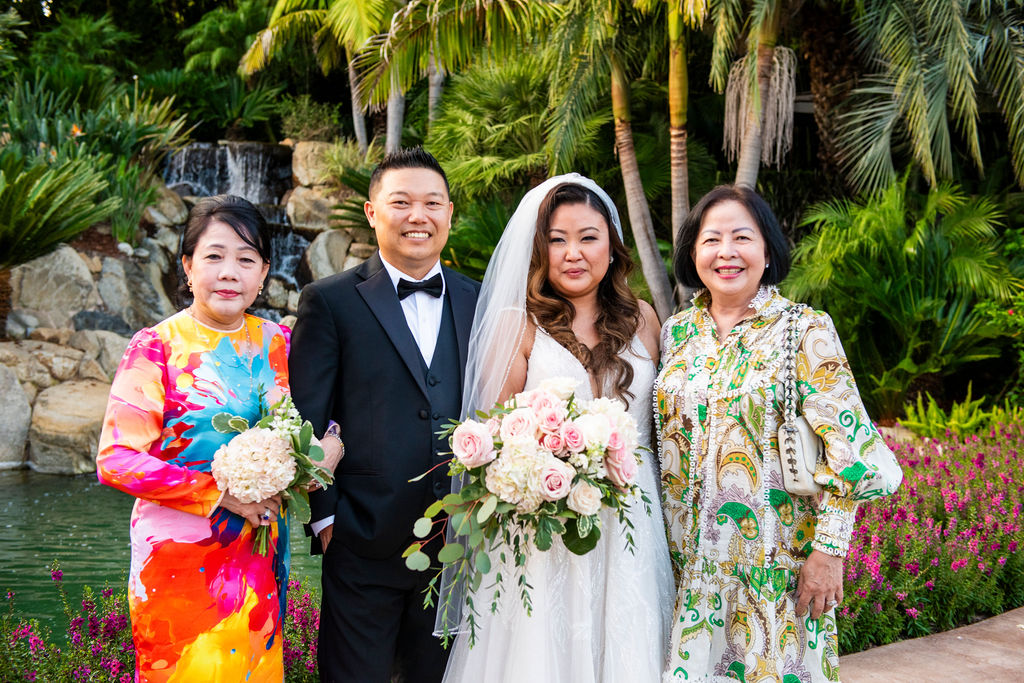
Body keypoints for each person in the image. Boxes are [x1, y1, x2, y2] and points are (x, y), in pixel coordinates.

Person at [656, 185, 904, 682]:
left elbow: (853, 450)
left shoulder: (804, 329)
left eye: (742, 237)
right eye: (711, 239)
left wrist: (829, 551)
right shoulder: (676, 333)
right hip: (684, 567)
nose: (726, 252)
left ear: (767, 250)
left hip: (773, 569)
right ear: (692, 253)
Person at [96, 194, 343, 682]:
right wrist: (220, 494)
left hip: (259, 558)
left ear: (264, 272)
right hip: (177, 560)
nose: (229, 273)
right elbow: (116, 459)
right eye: (214, 256)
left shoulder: (281, 343)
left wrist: (327, 450)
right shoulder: (156, 347)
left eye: (246, 260)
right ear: (188, 266)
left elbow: (324, 417)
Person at [440, 174, 675, 682]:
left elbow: (663, 431)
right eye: (557, 239)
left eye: (588, 237)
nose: (574, 253)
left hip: (633, 523)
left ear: (612, 246)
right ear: (538, 249)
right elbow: (491, 440)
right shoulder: (517, 323)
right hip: (544, 529)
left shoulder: (644, 320)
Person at [288, 147, 480, 683]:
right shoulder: (328, 301)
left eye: (432, 203)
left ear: (448, 213)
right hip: (360, 544)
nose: (418, 216)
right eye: (401, 202)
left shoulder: (480, 299)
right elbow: (309, 416)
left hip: (459, 546)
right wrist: (326, 520)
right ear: (372, 212)